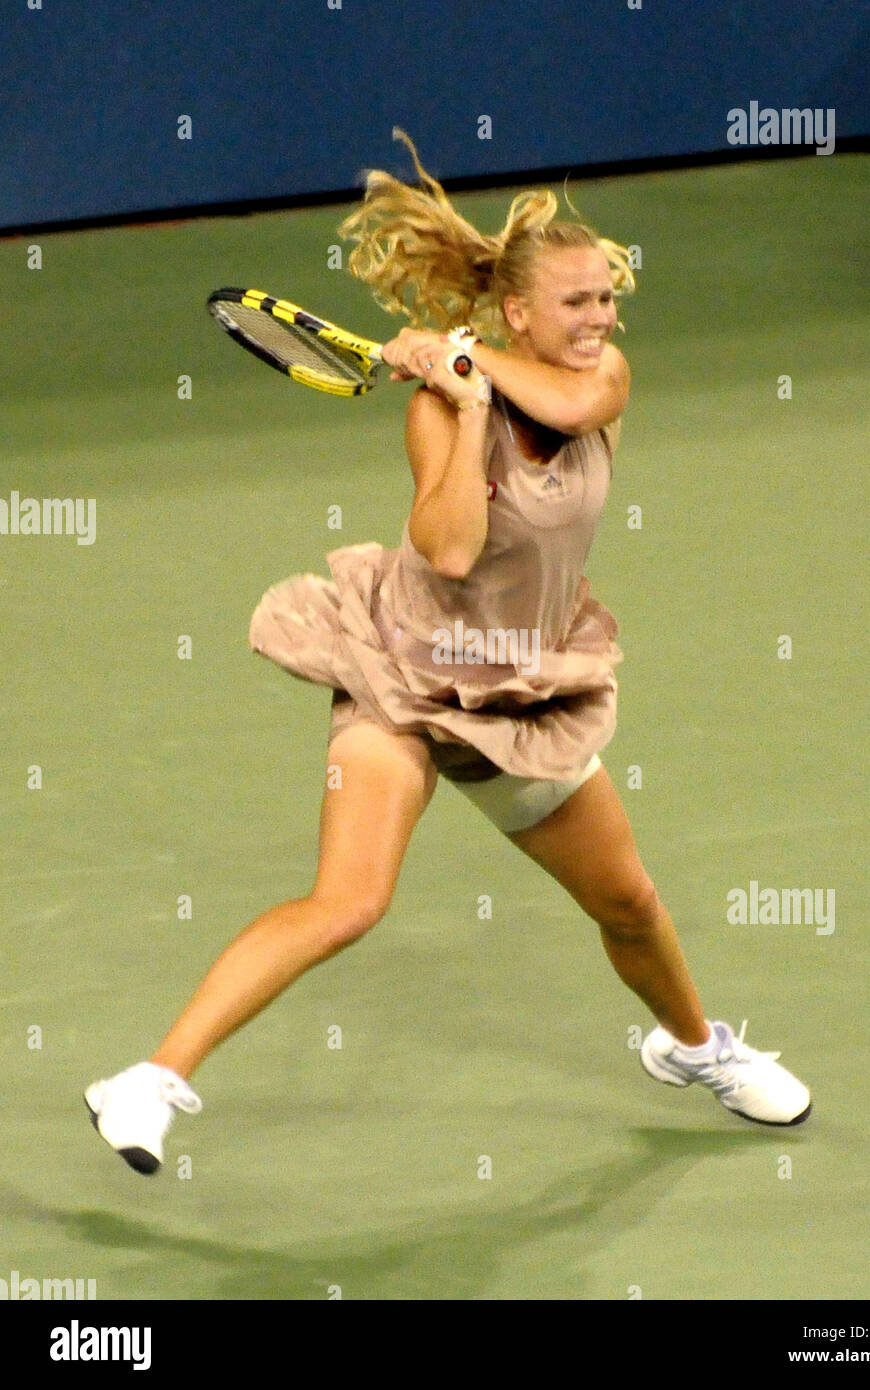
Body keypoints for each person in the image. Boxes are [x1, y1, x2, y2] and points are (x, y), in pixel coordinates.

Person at [85, 131, 810, 1175]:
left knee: (630, 901)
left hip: (525, 689)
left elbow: (564, 401)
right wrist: (464, 405)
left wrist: (466, 355)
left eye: (605, 297)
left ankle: (695, 1049)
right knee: (349, 901)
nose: (599, 317)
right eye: (575, 301)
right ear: (518, 309)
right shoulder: (437, 407)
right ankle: (147, 1082)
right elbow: (454, 545)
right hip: (406, 674)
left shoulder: (599, 376)